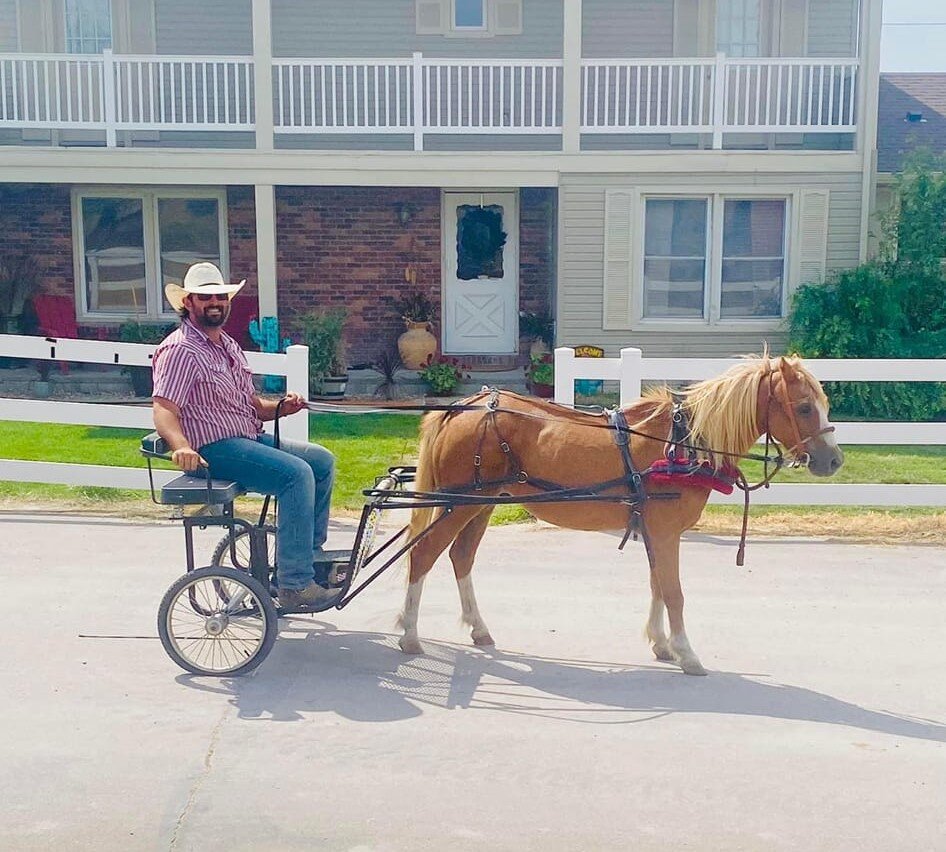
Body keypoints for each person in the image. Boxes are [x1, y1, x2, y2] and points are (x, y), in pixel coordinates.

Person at [151, 262, 337, 611]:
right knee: (296, 475)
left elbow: (252, 406)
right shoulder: (180, 350)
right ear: (188, 303)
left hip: (246, 438)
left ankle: (308, 557)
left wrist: (280, 407)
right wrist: (182, 447)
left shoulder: (227, 346)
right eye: (206, 298)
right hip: (214, 449)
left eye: (220, 296)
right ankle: (295, 585)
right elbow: (164, 407)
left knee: (321, 461)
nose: (215, 302)